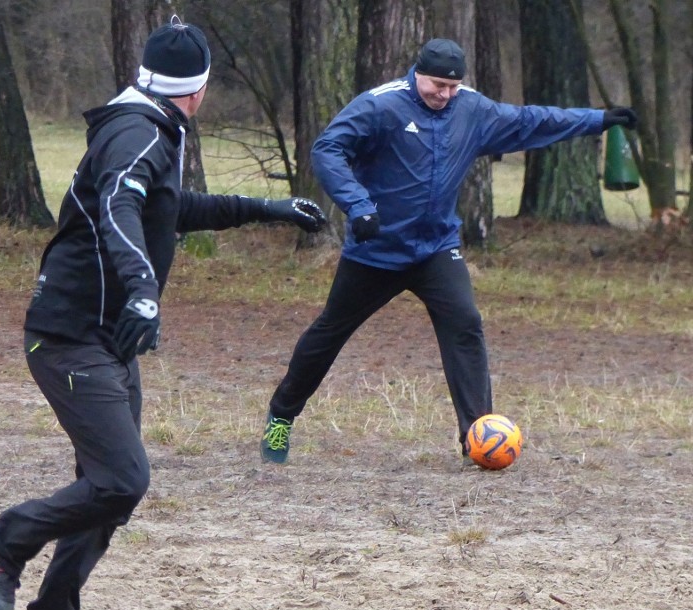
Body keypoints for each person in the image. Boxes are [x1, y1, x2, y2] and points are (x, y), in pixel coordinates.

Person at [0, 17, 326, 610]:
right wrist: (141, 288)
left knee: (106, 494)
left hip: (107, 340)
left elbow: (170, 209)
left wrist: (267, 208)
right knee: (122, 480)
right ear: (199, 89)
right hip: (70, 336)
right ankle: (1, 544)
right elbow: (119, 209)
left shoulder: (152, 126)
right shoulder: (137, 133)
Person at [260, 38, 636, 464]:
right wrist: (358, 205)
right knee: (330, 332)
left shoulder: (470, 109)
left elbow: (530, 121)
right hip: (376, 252)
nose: (445, 95)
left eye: (453, 87)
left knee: (465, 325)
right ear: (417, 72)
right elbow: (327, 149)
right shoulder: (381, 106)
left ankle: (479, 438)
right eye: (438, 85)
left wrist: (597, 120)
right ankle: (281, 416)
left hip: (436, 249)